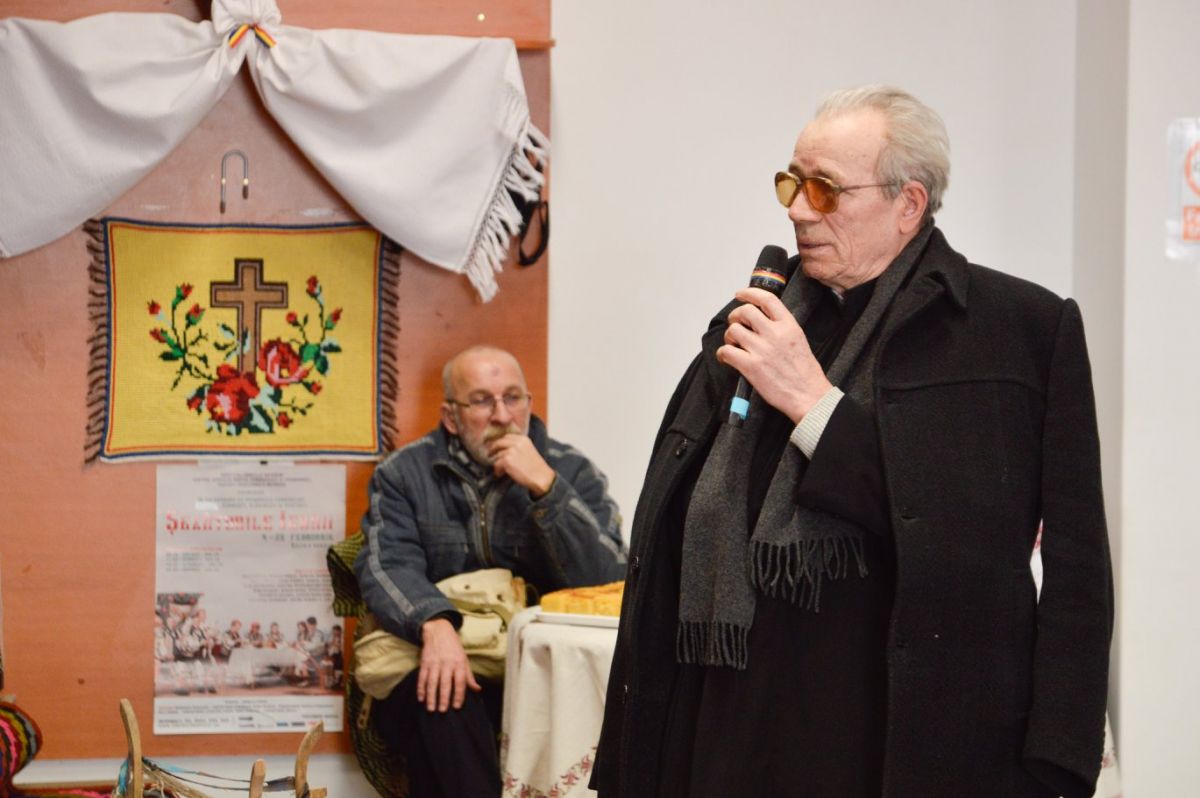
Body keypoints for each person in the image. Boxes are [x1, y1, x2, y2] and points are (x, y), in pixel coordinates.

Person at [592, 85, 1113, 798]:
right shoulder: (756, 320)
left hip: (901, 740)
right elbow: (672, 518)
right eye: (793, 183)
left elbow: (1034, 556)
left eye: (826, 190)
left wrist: (814, 406)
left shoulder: (1018, 331)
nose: (798, 210)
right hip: (729, 726)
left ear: (909, 204)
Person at [355, 344, 627, 798]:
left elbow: (611, 578)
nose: (502, 415)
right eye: (481, 401)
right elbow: (386, 564)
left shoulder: (573, 471)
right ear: (450, 416)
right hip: (438, 660)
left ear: (529, 403)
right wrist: (435, 624)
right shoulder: (403, 474)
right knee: (443, 697)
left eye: (513, 398)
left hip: (539, 668)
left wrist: (546, 489)